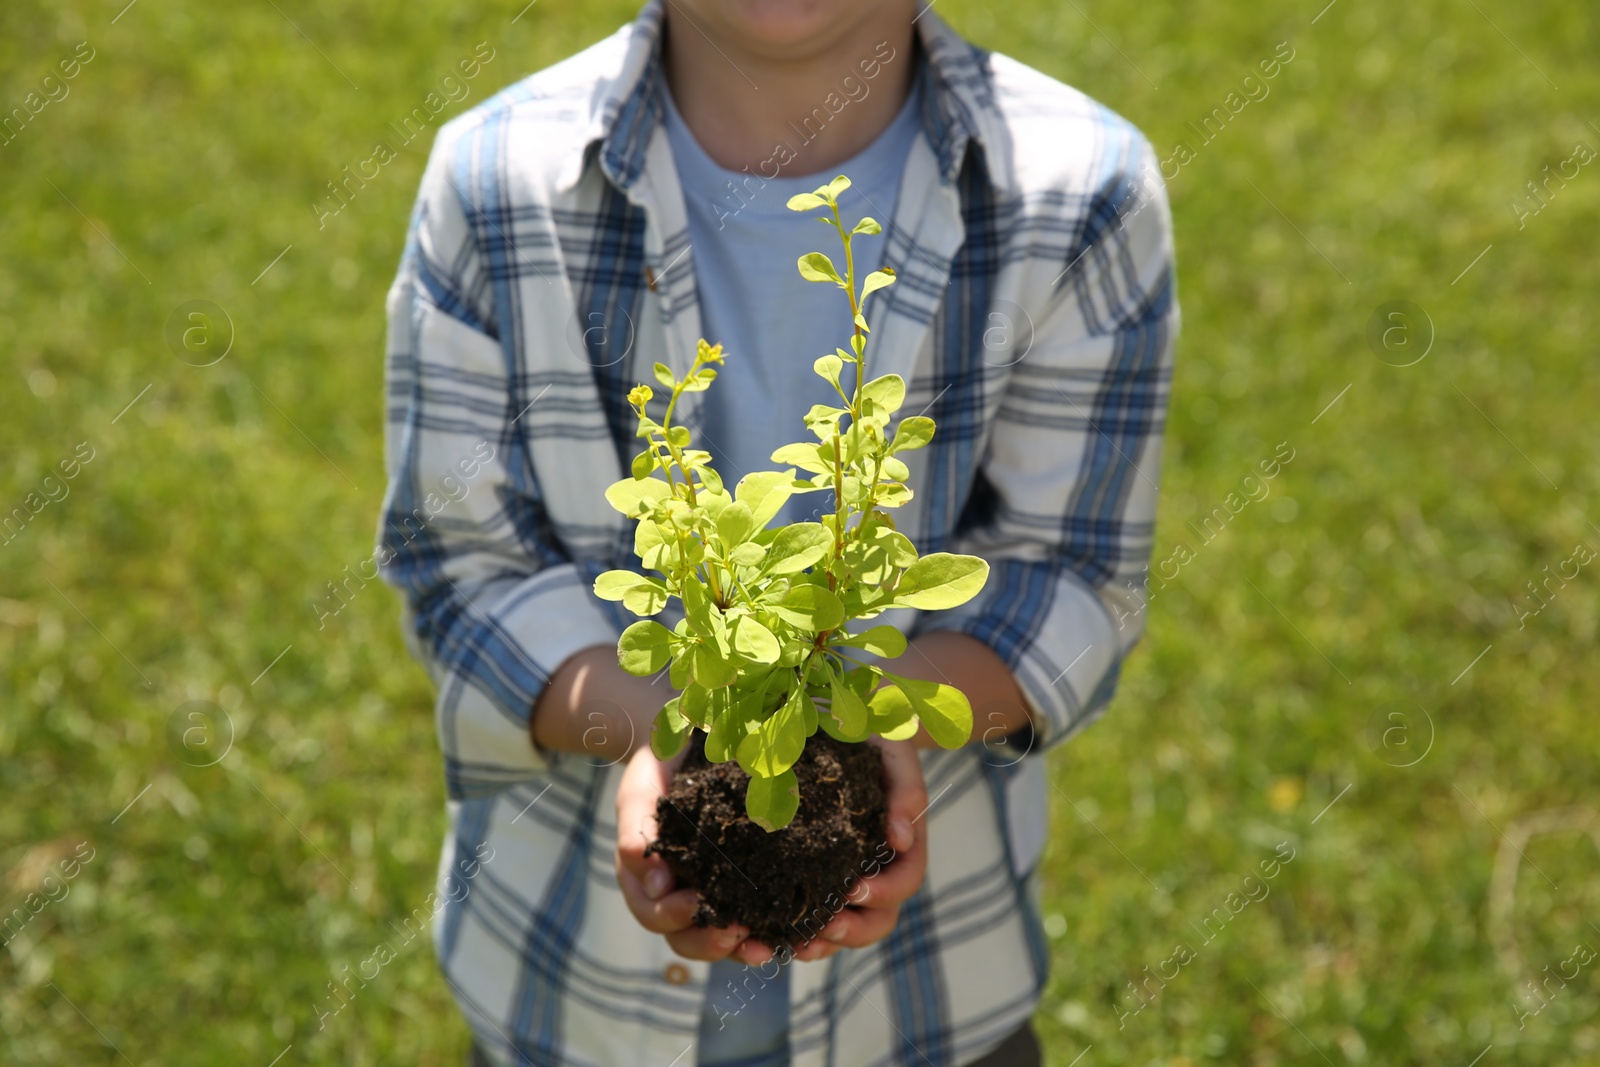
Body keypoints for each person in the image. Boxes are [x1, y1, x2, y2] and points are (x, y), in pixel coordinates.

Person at [376, 0, 1177, 1064]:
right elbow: (460, 567)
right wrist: (658, 727)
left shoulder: (1080, 191)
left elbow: (1074, 577)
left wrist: (880, 723)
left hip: (927, 1008)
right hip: (570, 998)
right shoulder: (495, 183)